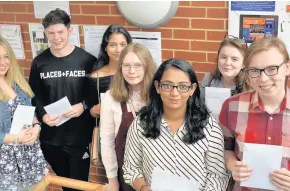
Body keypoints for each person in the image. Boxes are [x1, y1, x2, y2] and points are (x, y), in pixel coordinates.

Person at [123, 58, 230, 191]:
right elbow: (131, 168)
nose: (174, 93)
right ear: (157, 87)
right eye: (167, 85)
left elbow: (218, 175)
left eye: (183, 86)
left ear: (192, 89)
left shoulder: (209, 127)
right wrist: (143, 188)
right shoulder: (141, 124)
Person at [28, 9, 97, 191]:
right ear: (45, 33)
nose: (56, 37)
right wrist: (42, 116)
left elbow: (96, 96)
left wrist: (83, 106)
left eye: (60, 32)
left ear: (69, 31)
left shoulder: (87, 61)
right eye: (51, 33)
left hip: (79, 137)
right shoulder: (39, 63)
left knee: (78, 186)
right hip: (51, 138)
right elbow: (34, 97)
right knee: (64, 184)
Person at [220, 37, 290, 191]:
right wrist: (233, 165)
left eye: (272, 69)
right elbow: (225, 148)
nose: (263, 78)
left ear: (287, 68)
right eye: (255, 71)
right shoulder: (231, 107)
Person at [0, 36, 48, 191]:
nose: (3, 62)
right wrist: (16, 138)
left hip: (29, 156)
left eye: (6, 57)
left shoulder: (17, 83)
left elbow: (29, 111)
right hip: (2, 162)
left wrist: (36, 127)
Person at [100, 43, 157, 191]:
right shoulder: (110, 98)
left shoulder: (159, 95)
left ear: (147, 67)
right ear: (120, 67)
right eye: (126, 66)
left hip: (157, 173)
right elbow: (107, 142)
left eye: (138, 65)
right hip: (126, 175)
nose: (132, 71)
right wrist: (112, 180)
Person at [88, 24, 132, 119]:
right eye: (112, 45)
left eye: (122, 44)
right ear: (105, 47)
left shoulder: (137, 73)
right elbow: (90, 108)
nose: (118, 50)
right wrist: (93, 111)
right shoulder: (97, 77)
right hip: (108, 129)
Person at [200, 35, 247, 102]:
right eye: (223, 57)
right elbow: (199, 107)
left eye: (234, 59)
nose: (227, 63)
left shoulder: (249, 86)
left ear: (243, 64)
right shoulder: (208, 80)